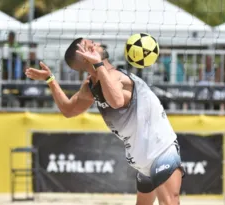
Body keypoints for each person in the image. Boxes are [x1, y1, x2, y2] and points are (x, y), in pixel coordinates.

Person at [25, 38, 184, 205]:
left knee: (169, 202)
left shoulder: (115, 76)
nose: (96, 43)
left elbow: (115, 100)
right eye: (90, 44)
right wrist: (50, 79)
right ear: (85, 57)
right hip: (140, 159)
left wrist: (99, 65)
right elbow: (68, 110)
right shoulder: (91, 86)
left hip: (161, 149)